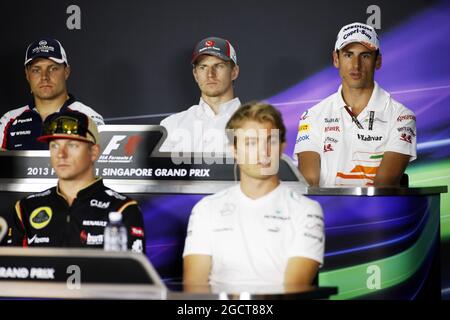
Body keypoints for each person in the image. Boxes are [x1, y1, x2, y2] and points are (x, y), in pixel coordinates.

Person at [183, 102, 324, 286]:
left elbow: (294, 290)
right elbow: (194, 289)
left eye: (270, 141)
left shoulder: (306, 210)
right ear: (234, 150)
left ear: (282, 147)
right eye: (251, 142)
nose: (263, 152)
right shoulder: (206, 209)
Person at [294, 22, 417, 187]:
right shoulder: (312, 116)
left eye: (365, 55)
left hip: (375, 212)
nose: (356, 65)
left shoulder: (402, 116)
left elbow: (384, 186)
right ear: (336, 59)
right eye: (348, 55)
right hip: (325, 212)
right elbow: (309, 184)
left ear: (378, 61)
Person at [6, 110, 145, 253]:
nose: (61, 154)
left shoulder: (123, 209)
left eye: (72, 145)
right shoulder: (25, 208)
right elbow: (13, 270)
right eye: (54, 145)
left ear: (94, 152)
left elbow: (131, 274)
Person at [0, 37, 104, 150]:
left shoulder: (89, 117)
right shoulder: (8, 120)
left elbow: (101, 165)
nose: (44, 77)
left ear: (66, 72)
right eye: (36, 70)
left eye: (53, 68)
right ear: (27, 75)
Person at [160, 36, 240, 154]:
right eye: (203, 67)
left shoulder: (259, 125)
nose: (210, 75)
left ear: (234, 72)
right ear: (196, 74)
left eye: (218, 66)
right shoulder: (171, 126)